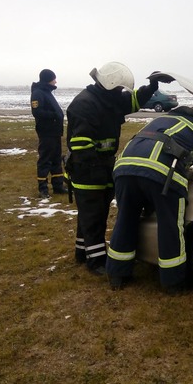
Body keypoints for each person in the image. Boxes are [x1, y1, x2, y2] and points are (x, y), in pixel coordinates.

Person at [106, 106, 193, 292]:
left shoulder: (163, 119)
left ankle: (117, 274)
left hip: (124, 170)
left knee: (126, 220)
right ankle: (173, 282)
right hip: (162, 175)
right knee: (170, 226)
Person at [65, 62, 159, 276]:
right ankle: (97, 261)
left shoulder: (107, 98)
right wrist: (98, 168)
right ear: (109, 84)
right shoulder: (85, 104)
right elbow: (80, 144)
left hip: (102, 165)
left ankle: (82, 253)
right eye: (118, 88)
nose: (121, 92)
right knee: (94, 216)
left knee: (90, 215)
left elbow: (132, 101)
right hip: (87, 170)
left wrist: (151, 87)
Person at [30, 69, 67, 198]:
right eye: (53, 79)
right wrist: (55, 115)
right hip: (46, 132)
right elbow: (37, 112)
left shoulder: (47, 92)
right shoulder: (38, 93)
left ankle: (58, 186)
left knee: (56, 158)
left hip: (55, 132)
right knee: (45, 159)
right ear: (47, 80)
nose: (55, 81)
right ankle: (43, 189)